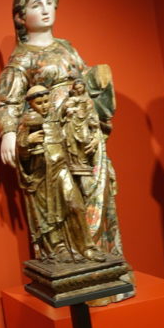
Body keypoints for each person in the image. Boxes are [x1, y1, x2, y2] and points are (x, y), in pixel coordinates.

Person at [0, 0, 124, 262]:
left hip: (83, 131)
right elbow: (8, 100)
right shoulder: (23, 58)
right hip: (53, 136)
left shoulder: (67, 48)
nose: (45, 10)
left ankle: (100, 251)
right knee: (62, 197)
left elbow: (84, 81)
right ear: (20, 16)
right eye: (36, 5)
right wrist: (9, 133)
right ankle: (71, 254)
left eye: (49, 3)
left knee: (95, 188)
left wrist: (97, 81)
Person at [16, 86, 102, 263]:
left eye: (46, 101)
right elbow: (22, 156)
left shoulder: (57, 118)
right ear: (31, 104)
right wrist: (27, 142)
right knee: (49, 213)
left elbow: (76, 128)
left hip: (61, 169)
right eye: (39, 103)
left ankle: (86, 247)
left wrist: (93, 137)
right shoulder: (27, 122)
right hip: (41, 175)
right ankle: (59, 248)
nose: (44, 106)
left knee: (75, 204)